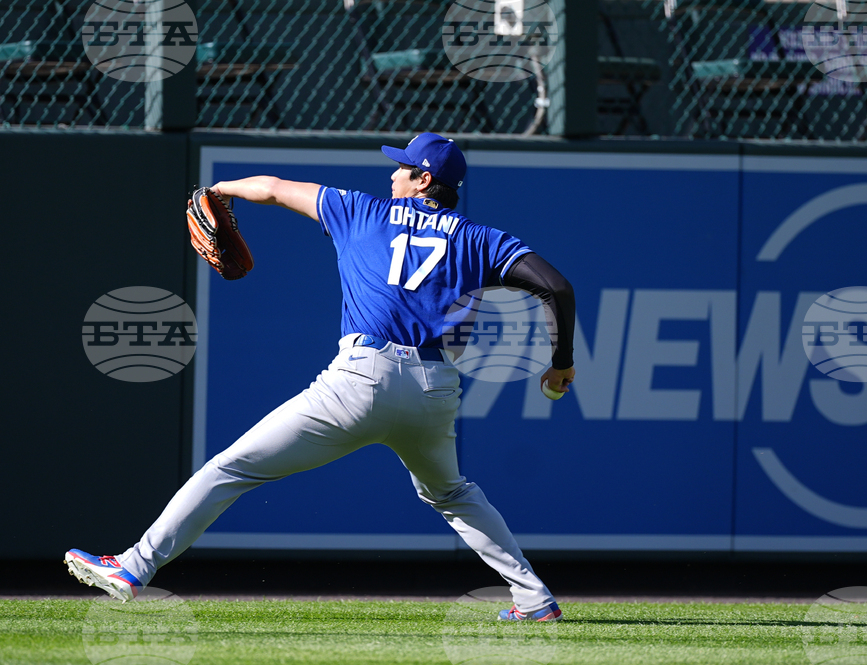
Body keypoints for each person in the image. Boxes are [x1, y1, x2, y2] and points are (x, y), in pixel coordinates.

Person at [65, 133, 576, 622]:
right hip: (433, 388)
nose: (393, 174)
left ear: (423, 180)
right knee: (452, 493)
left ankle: (134, 567)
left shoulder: (360, 210)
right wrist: (561, 363)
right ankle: (532, 596)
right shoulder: (481, 239)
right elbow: (557, 286)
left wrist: (221, 190)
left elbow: (269, 187)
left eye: (402, 167)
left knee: (231, 468)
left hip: (360, 379)